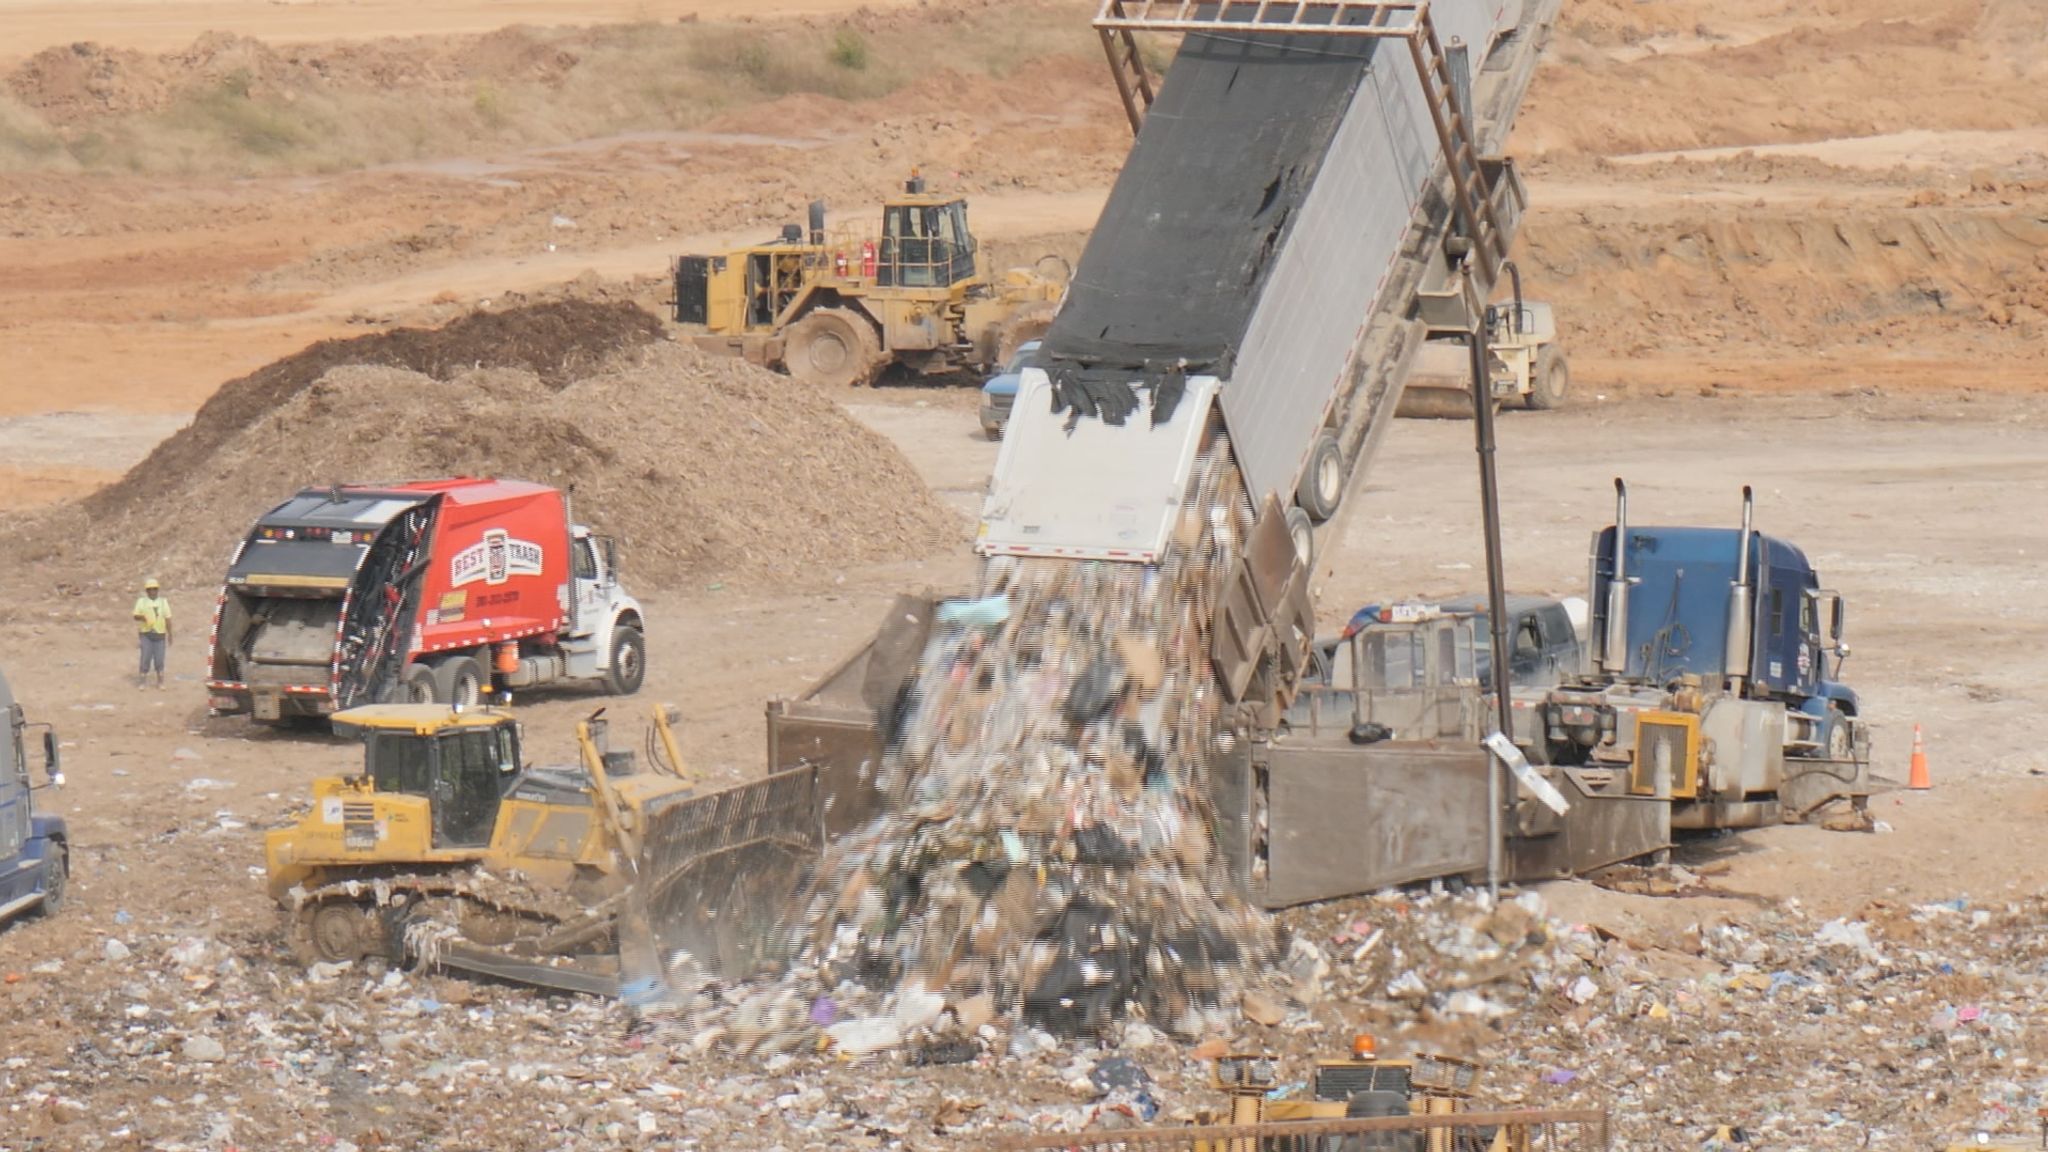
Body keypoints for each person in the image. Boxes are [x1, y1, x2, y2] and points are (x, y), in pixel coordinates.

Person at [132, 577, 172, 690]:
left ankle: (160, 682)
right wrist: (143, 617)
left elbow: (168, 618)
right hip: (146, 634)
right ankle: (142, 681)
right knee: (145, 657)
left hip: (160, 635)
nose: (152, 591)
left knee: (159, 659)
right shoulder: (142, 602)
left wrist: (170, 634)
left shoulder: (163, 602)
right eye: (150, 589)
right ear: (147, 591)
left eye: (154, 589)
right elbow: (135, 615)